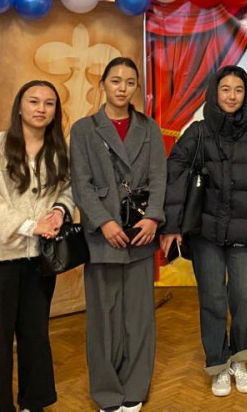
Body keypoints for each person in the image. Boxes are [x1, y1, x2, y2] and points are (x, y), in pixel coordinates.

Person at [0, 80, 73, 411]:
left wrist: (59, 211)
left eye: (49, 103)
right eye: (34, 101)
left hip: (38, 259)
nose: (41, 108)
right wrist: (28, 226)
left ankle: (34, 401)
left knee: (36, 335)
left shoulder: (57, 151)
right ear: (20, 106)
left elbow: (68, 189)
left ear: (55, 111)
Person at [162, 66, 247, 397]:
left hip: (242, 233)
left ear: (245, 96)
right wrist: (173, 226)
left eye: (238, 90)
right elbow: (175, 178)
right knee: (213, 299)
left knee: (246, 298)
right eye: (225, 89)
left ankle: (239, 356)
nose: (232, 95)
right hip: (204, 232)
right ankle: (218, 364)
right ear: (214, 92)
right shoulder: (197, 132)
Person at [70, 57, 167, 412]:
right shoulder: (83, 130)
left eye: (129, 82)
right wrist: (103, 222)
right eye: (115, 81)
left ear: (136, 88)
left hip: (141, 233)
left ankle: (135, 389)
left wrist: (154, 218)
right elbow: (79, 183)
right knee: (103, 318)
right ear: (103, 86)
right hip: (103, 237)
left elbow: (160, 178)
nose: (122, 87)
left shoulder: (150, 128)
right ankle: (107, 393)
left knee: (139, 317)